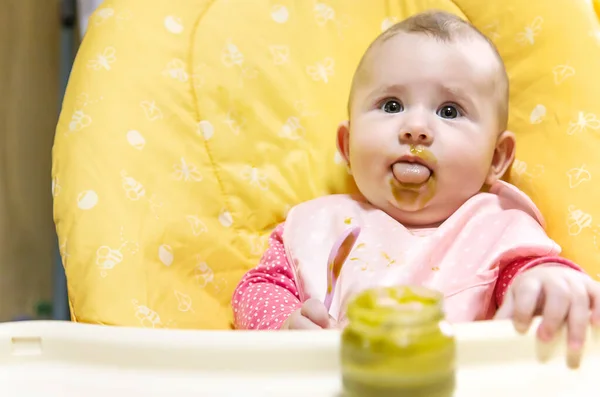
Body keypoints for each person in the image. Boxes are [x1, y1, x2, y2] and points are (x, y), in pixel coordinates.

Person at [232, 10, 600, 368]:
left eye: (450, 111)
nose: (416, 128)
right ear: (348, 146)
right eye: (391, 105)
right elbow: (260, 287)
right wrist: (282, 325)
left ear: (496, 158)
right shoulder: (317, 224)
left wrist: (549, 282)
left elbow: (529, 273)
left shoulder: (496, 226)